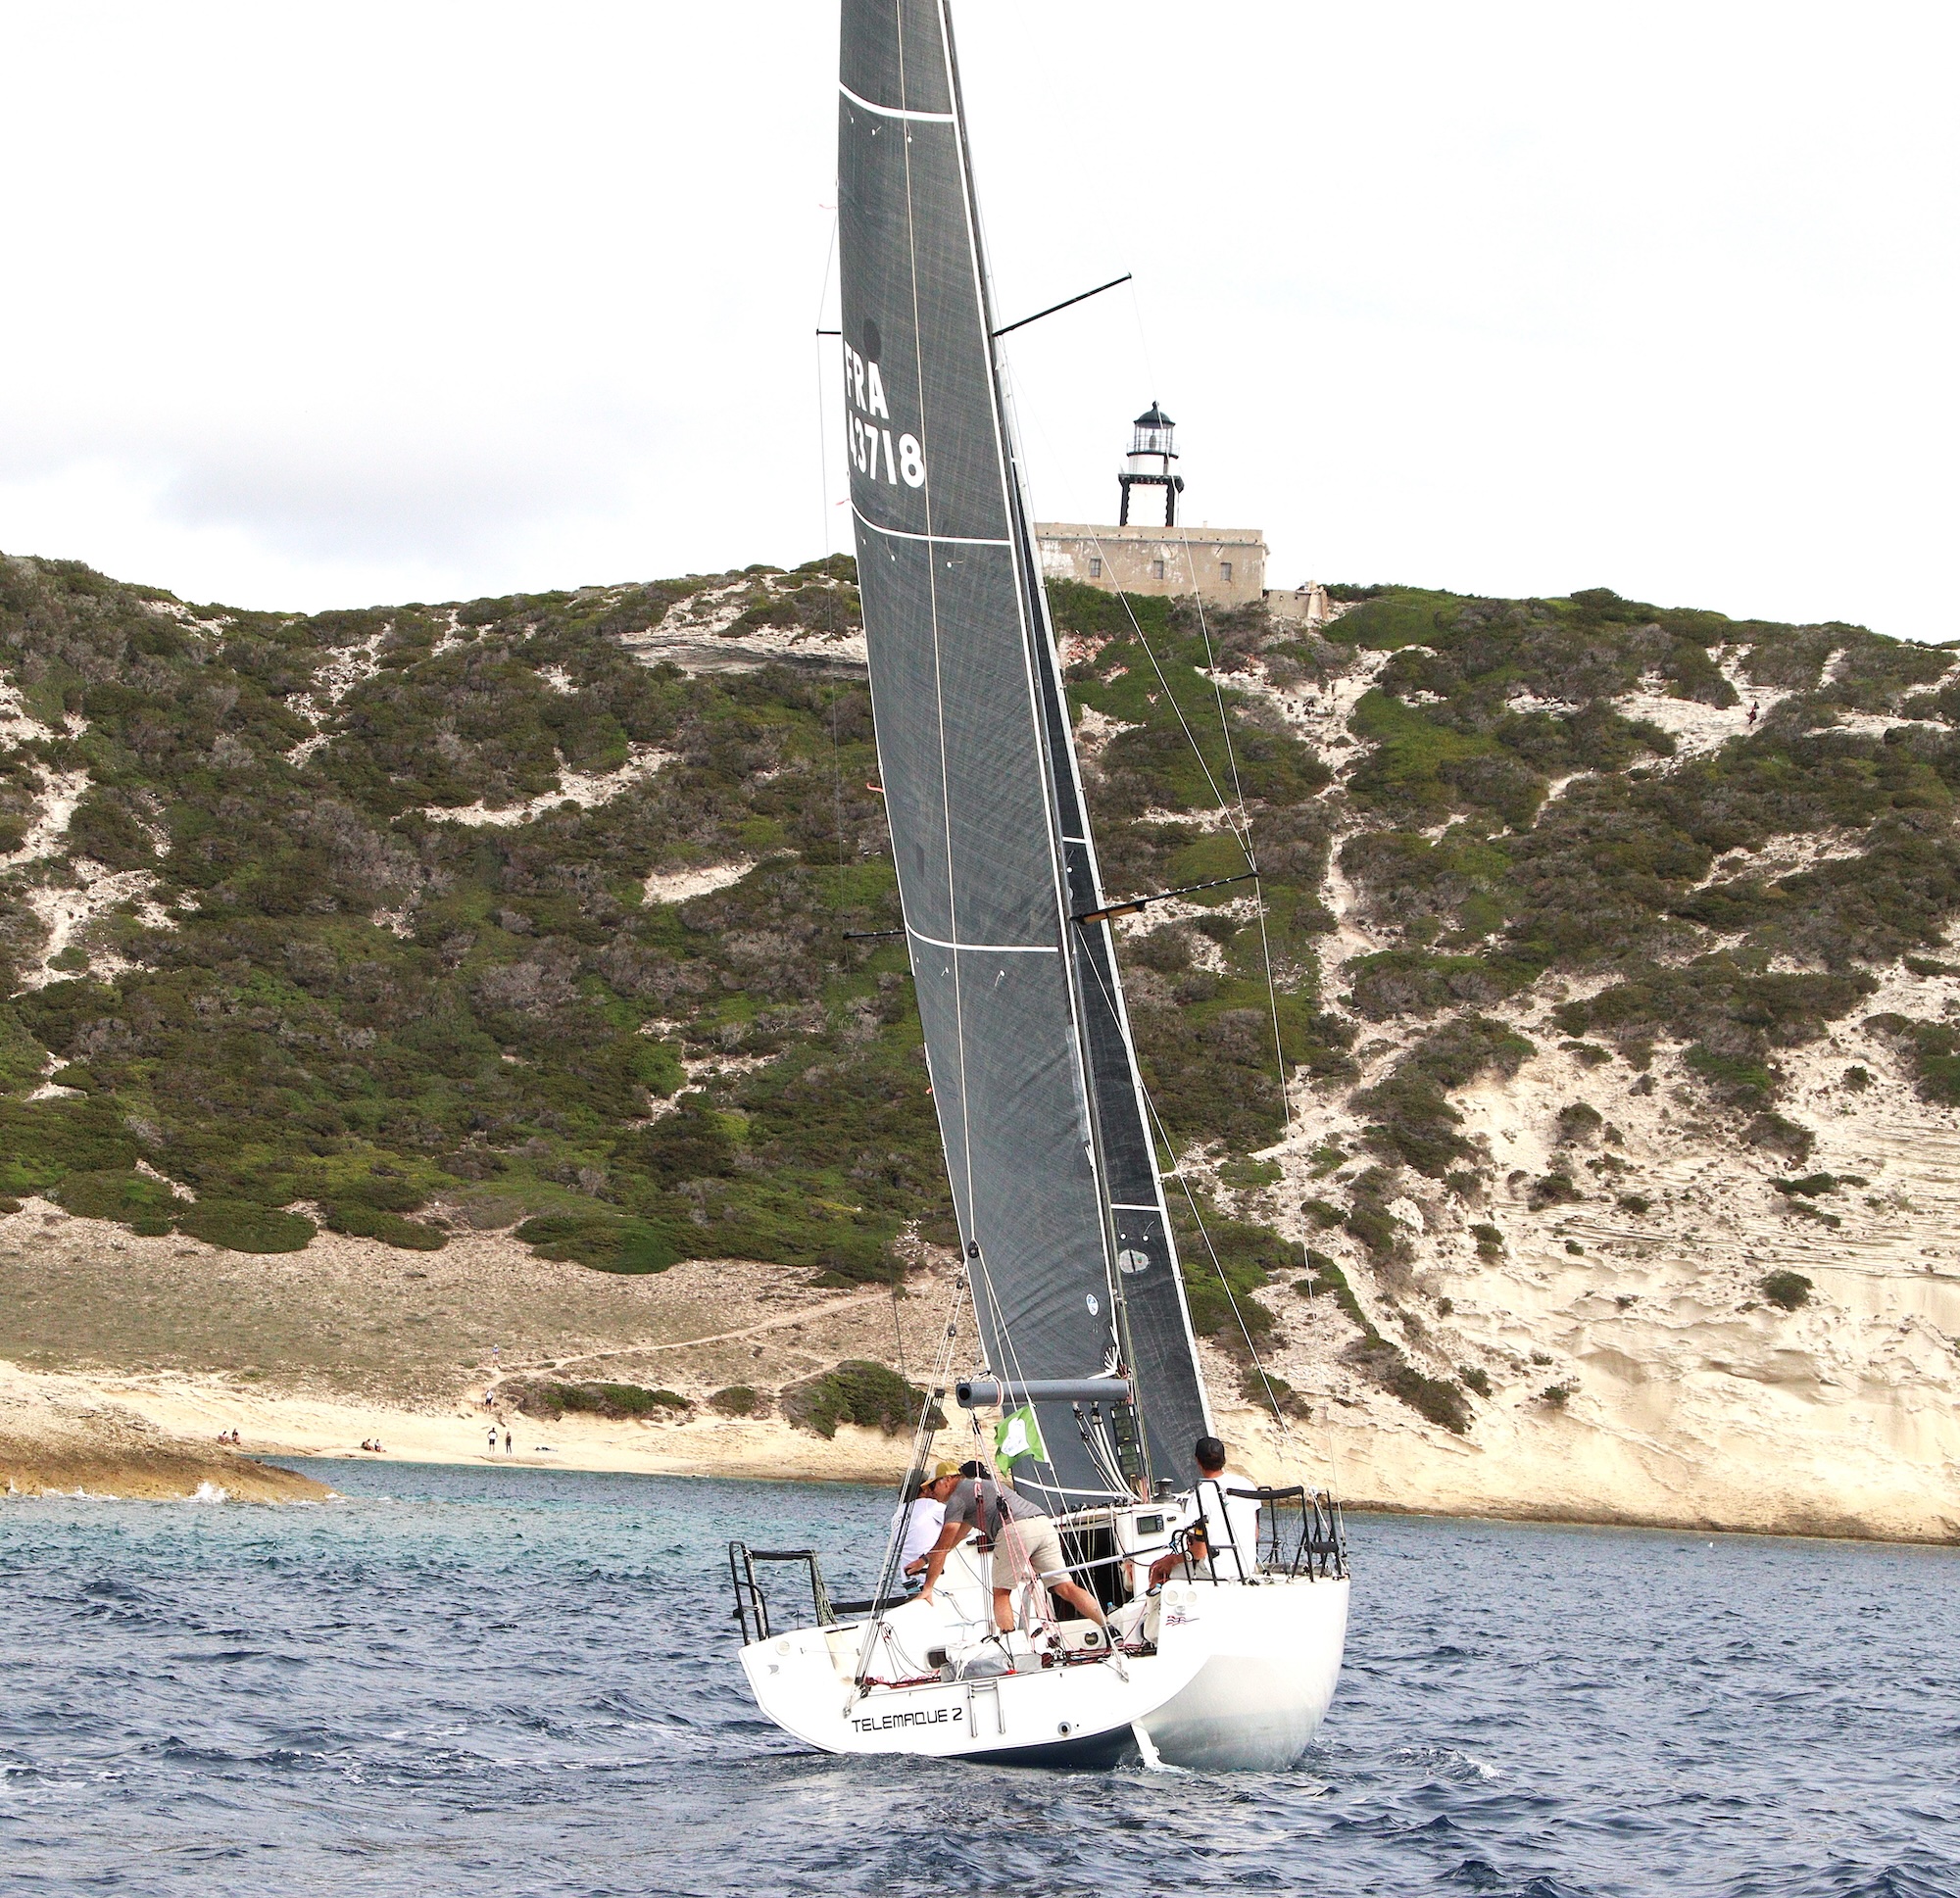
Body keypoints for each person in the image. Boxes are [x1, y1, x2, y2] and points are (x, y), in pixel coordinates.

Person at [918, 1461, 1108, 1635]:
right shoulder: (982, 1487)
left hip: (1015, 1528)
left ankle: (1011, 1644)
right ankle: (1109, 1628)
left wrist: (928, 1588)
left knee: (1002, 1593)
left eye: (932, 1487)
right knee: (1066, 1587)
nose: (931, 1493)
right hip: (1042, 1523)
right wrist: (924, 1560)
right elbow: (955, 1539)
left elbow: (943, 1546)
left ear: (947, 1480)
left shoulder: (956, 1498)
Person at [1148, 1436, 1262, 1587]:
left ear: (1197, 1461)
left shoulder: (1200, 1494)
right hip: (1246, 1567)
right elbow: (1255, 1534)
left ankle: (1154, 1603)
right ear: (1224, 1459)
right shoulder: (1246, 1484)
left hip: (1214, 1570)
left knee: (1157, 1568)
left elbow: (1199, 1552)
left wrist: (1172, 1560)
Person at [891, 1462, 957, 1591]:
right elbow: (963, 1523)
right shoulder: (929, 1505)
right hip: (930, 1578)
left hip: (908, 1581)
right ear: (925, 1489)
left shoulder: (897, 1514)